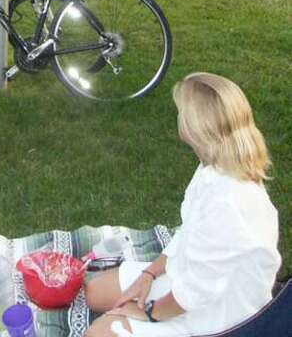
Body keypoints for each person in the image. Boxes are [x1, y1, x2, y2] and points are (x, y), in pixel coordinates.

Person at [84, 72, 280, 337]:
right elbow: (188, 234)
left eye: (181, 113)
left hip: (222, 313)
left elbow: (199, 289)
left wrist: (149, 312)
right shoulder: (213, 166)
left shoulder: (228, 200)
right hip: (188, 281)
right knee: (95, 292)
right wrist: (149, 274)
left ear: (193, 127)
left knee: (97, 333)